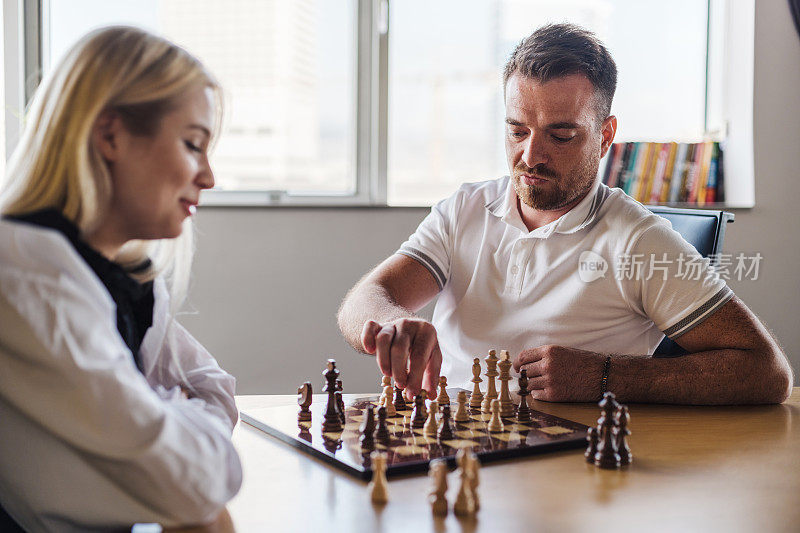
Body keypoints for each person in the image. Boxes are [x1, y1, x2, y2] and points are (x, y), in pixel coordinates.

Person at [337, 23, 793, 405]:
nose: (530, 156)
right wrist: (390, 324)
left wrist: (606, 377)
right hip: (452, 448)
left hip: (572, 469)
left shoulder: (639, 240)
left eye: (561, 135)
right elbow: (367, 297)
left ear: (603, 134)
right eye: (517, 130)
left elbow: (766, 373)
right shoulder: (464, 208)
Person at [0, 27, 242, 531]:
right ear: (110, 135)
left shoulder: (127, 282)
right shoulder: (27, 277)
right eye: (193, 145)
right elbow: (195, 482)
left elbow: (214, 388)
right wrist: (171, 415)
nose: (209, 177)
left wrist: (160, 413)